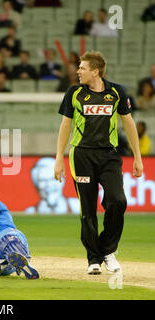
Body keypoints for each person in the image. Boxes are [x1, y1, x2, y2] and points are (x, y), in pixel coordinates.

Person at [54, 51, 143, 275]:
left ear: (95, 71)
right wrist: (59, 158)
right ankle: (93, 259)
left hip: (109, 156)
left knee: (117, 201)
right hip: (81, 156)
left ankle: (106, 250)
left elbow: (129, 123)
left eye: (82, 68)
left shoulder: (116, 92)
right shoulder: (74, 93)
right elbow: (65, 126)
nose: (78, 71)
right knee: (88, 209)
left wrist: (137, 157)